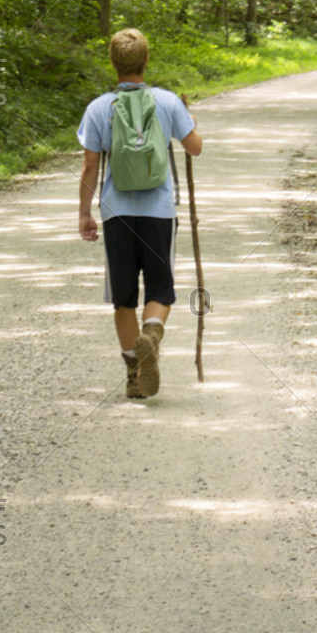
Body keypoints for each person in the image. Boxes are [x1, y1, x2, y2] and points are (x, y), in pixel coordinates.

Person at [78, 27, 202, 399]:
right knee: (160, 290)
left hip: (117, 214)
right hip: (159, 212)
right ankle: (152, 334)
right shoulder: (166, 102)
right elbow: (195, 148)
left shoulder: (99, 108)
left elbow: (88, 167)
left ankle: (135, 375)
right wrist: (187, 116)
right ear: (147, 62)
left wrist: (84, 213)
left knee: (123, 297)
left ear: (113, 64)